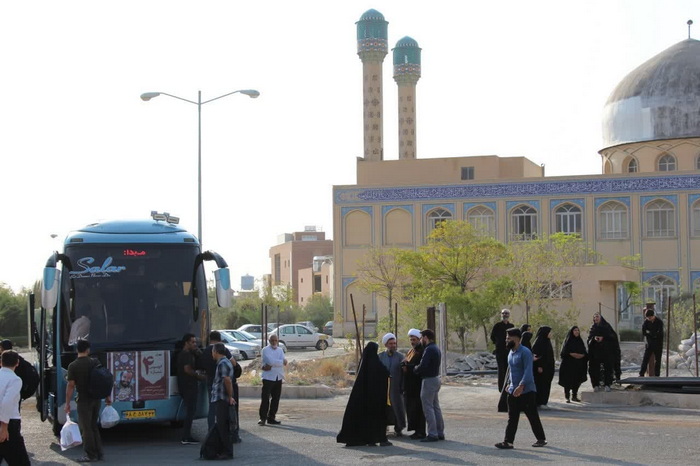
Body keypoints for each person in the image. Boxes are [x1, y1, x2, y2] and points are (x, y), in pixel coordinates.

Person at [495, 328, 547, 450]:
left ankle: (541, 439)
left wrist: (521, 386)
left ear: (517, 339)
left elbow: (528, 371)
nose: (506, 340)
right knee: (512, 417)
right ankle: (508, 442)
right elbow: (511, 371)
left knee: (532, 416)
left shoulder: (525, 352)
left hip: (527, 391)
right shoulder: (511, 352)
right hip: (513, 391)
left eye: (509, 338)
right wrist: (509, 384)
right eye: (506, 338)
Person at [337, 342, 392, 447]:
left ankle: (366, 439)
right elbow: (385, 373)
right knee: (377, 419)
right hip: (376, 400)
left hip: (364, 400)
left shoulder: (363, 365)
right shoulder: (376, 364)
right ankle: (378, 439)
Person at [65, 339, 111, 462]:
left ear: (76, 350)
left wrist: (67, 403)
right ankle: (99, 453)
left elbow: (70, 385)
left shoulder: (73, 366)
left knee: (86, 429)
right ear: (88, 350)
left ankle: (90, 454)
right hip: (96, 399)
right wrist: (107, 396)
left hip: (83, 400)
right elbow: (103, 380)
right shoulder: (95, 362)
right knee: (93, 426)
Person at [200, 331, 241, 440]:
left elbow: (201, 366)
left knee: (212, 410)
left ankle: (211, 433)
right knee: (227, 411)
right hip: (223, 386)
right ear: (220, 339)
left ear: (210, 339)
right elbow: (234, 364)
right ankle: (230, 434)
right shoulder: (223, 350)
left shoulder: (204, 352)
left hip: (211, 383)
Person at [0, 350, 30, 466]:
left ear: (1, 362)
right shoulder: (15, 380)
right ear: (17, 363)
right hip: (8, 423)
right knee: (20, 461)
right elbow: (7, 402)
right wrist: (4, 427)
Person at [414, 329, 444, 443]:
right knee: (435, 407)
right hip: (436, 378)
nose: (421, 340)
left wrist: (415, 369)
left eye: (421, 338)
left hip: (429, 380)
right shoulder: (436, 348)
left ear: (425, 338)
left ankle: (432, 434)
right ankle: (439, 432)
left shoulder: (429, 349)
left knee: (428, 407)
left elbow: (423, 365)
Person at [177, 333, 204, 445]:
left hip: (185, 386)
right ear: (186, 343)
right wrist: (199, 376)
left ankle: (186, 435)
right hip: (188, 386)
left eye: (195, 342)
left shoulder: (186, 354)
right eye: (192, 342)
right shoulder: (186, 355)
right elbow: (187, 369)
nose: (195, 344)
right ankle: (186, 437)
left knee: (190, 411)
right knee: (190, 412)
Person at [210, 343, 235, 460]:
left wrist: (230, 396)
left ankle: (227, 451)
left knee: (223, 426)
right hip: (220, 398)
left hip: (222, 398)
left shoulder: (223, 363)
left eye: (212, 351)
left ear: (215, 351)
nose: (212, 354)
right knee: (221, 425)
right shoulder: (222, 363)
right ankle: (223, 450)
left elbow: (227, 381)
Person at [378, 333, 406, 437]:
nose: (393, 345)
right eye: (390, 343)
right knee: (384, 408)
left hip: (396, 387)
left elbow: (404, 373)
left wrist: (403, 386)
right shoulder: (380, 356)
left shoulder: (400, 357)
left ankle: (398, 428)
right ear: (386, 344)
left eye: (394, 343)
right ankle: (383, 427)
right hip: (383, 388)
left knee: (398, 408)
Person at [402, 328, 426, 440]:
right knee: (411, 408)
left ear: (419, 339)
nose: (412, 341)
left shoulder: (422, 351)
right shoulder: (412, 350)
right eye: (411, 339)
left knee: (418, 408)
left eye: (414, 339)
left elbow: (419, 366)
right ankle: (416, 430)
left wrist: (408, 367)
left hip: (417, 384)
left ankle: (420, 431)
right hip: (409, 385)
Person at [258, 334, 287, 426]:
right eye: (272, 340)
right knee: (265, 398)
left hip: (278, 377)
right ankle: (263, 418)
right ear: (269, 341)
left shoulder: (280, 350)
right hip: (268, 378)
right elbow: (270, 361)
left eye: (276, 340)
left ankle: (271, 417)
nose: (274, 342)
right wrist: (280, 362)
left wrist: (279, 362)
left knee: (276, 399)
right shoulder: (265, 350)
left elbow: (284, 362)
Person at [558, 326, 588, 402]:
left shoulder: (580, 341)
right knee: (567, 381)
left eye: (578, 330)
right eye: (575, 330)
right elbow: (565, 353)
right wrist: (574, 355)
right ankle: (567, 396)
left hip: (578, 365)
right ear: (572, 332)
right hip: (568, 365)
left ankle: (574, 396)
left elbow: (584, 352)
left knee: (577, 380)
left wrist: (580, 356)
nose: (577, 332)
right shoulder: (568, 341)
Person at [587, 313, 615, 392]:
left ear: (601, 318)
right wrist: (594, 339)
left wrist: (603, 338)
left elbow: (612, 337)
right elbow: (589, 339)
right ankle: (596, 384)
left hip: (606, 351)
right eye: (594, 317)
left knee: (608, 368)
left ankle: (607, 384)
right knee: (594, 368)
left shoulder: (606, 326)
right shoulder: (593, 327)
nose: (596, 318)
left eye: (597, 317)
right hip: (595, 352)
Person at [491, 309, 515, 394]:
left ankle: (508, 386)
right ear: (501, 315)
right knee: (501, 370)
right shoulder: (497, 326)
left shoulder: (511, 326)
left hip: (509, 351)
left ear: (509, 315)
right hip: (499, 351)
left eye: (506, 313)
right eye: (503, 313)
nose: (505, 315)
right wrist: (498, 343)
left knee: (508, 369)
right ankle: (501, 388)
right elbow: (492, 337)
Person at [531, 326, 555, 408]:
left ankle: (544, 401)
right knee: (541, 385)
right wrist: (539, 366)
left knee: (546, 384)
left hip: (547, 368)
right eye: (549, 332)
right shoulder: (539, 342)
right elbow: (536, 355)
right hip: (541, 369)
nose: (550, 334)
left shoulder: (547, 341)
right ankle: (540, 401)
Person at [640, 308, 664, 377]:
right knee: (645, 359)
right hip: (649, 343)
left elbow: (659, 333)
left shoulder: (659, 322)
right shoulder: (646, 322)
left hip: (658, 344)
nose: (649, 319)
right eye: (648, 318)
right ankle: (641, 374)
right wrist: (652, 334)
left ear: (653, 316)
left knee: (658, 360)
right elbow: (644, 332)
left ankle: (657, 375)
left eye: (650, 317)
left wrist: (651, 333)